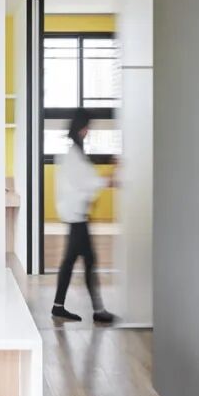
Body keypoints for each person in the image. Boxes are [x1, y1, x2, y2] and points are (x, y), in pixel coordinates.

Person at [51, 110, 116, 324]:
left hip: (76, 216)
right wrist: (109, 180)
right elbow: (88, 182)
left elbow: (87, 182)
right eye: (87, 127)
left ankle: (62, 306)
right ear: (81, 129)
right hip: (77, 217)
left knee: (76, 261)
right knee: (85, 261)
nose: (88, 132)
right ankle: (97, 310)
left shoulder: (74, 154)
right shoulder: (74, 157)